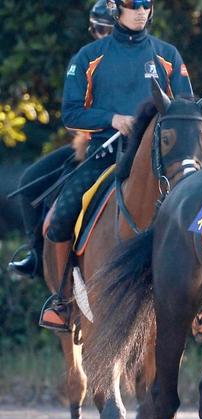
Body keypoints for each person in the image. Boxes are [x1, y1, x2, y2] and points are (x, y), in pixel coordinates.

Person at [40, 0, 193, 331]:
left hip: (160, 159)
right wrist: (112, 118)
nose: (140, 11)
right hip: (106, 154)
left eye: (146, 4)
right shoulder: (88, 57)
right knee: (62, 213)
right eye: (131, 4)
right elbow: (71, 112)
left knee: (199, 210)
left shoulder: (168, 54)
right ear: (116, 10)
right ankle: (63, 301)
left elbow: (186, 107)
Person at [8, 0, 115, 278]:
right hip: (94, 147)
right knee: (29, 184)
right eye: (98, 29)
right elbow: (74, 113)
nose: (102, 36)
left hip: (144, 147)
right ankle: (36, 256)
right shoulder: (85, 61)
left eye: (108, 29)